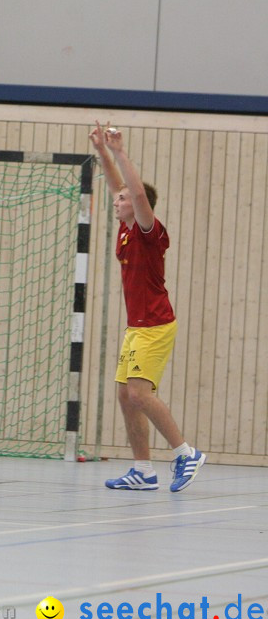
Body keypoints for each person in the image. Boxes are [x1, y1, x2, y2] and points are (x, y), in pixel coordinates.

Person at [89, 122, 205, 492]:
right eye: (118, 198)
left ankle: (186, 453)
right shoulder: (124, 228)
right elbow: (116, 183)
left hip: (155, 324)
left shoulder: (146, 229)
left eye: (122, 199)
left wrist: (122, 151)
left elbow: (136, 193)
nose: (117, 200)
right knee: (126, 395)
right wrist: (103, 151)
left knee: (139, 393)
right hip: (137, 325)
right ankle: (143, 470)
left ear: (139, 206)